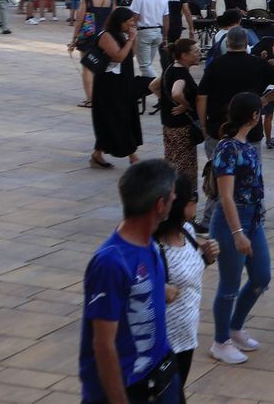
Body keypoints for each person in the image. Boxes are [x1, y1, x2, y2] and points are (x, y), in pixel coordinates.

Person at [80, 159, 179, 404]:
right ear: (160, 205)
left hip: (161, 377)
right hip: (127, 391)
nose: (175, 198)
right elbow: (103, 345)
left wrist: (161, 290)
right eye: (172, 194)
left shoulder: (150, 243)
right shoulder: (111, 263)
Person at [207, 91, 271, 364]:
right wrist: (236, 233)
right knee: (229, 285)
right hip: (231, 222)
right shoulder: (227, 148)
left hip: (254, 221)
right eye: (260, 112)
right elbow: (225, 196)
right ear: (254, 116)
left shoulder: (245, 144)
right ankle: (220, 341)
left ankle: (235, 327)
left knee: (261, 277)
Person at [156, 169, 218, 402]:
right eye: (192, 196)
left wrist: (208, 257)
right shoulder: (154, 246)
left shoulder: (188, 232)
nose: (196, 200)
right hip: (164, 341)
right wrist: (157, 289)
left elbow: (188, 275)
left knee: (176, 389)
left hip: (186, 335)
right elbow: (131, 287)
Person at [197, 27, 274, 164]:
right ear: (246, 42)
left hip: (219, 126)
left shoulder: (216, 64)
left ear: (227, 43)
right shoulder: (258, 63)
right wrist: (265, 99)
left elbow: (201, 97)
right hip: (250, 128)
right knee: (249, 173)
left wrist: (204, 125)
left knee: (218, 172)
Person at [90, 8, 144, 170]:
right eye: (129, 21)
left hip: (123, 82)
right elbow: (118, 57)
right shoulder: (106, 35)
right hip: (109, 86)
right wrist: (130, 40)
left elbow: (130, 55)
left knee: (118, 117)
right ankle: (133, 157)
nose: (132, 24)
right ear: (120, 21)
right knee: (117, 117)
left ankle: (97, 153)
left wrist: (132, 40)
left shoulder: (122, 34)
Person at [150, 39, 203, 185]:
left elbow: (153, 86)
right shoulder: (181, 74)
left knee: (172, 161)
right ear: (185, 55)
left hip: (169, 125)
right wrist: (186, 105)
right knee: (185, 167)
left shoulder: (170, 69)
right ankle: (184, 197)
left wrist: (166, 103)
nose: (199, 54)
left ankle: (171, 193)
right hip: (182, 128)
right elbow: (176, 93)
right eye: (196, 51)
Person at [130, 0, 169, 80]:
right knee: (148, 64)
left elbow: (135, 16)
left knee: (145, 65)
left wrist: (130, 31)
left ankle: (160, 85)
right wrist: (165, 36)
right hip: (157, 32)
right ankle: (146, 88)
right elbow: (166, 18)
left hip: (144, 32)